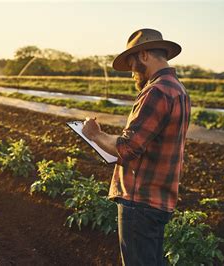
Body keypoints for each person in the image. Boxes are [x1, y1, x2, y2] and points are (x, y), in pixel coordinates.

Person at [82, 29, 191, 265]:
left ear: (143, 56)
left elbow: (127, 147)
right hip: (159, 198)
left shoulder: (155, 91)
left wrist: (95, 134)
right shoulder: (178, 89)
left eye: (131, 64)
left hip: (139, 200)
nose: (131, 73)